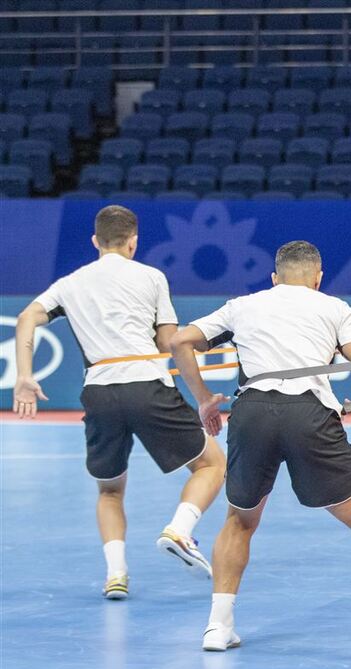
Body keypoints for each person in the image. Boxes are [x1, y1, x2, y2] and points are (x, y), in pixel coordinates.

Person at [171, 240, 351, 651]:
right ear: (319, 278)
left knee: (240, 522)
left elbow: (179, 341)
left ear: (274, 277)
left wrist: (204, 399)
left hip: (253, 412)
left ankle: (217, 625)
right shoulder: (334, 308)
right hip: (310, 414)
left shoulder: (242, 305)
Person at [12, 205, 226, 600]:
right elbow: (169, 344)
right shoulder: (151, 277)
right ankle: (180, 529)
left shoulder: (70, 283)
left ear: (95, 241)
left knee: (109, 491)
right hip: (147, 385)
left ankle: (116, 575)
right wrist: (202, 395)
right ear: (133, 241)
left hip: (100, 392)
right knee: (212, 464)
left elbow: (27, 317)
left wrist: (25, 376)